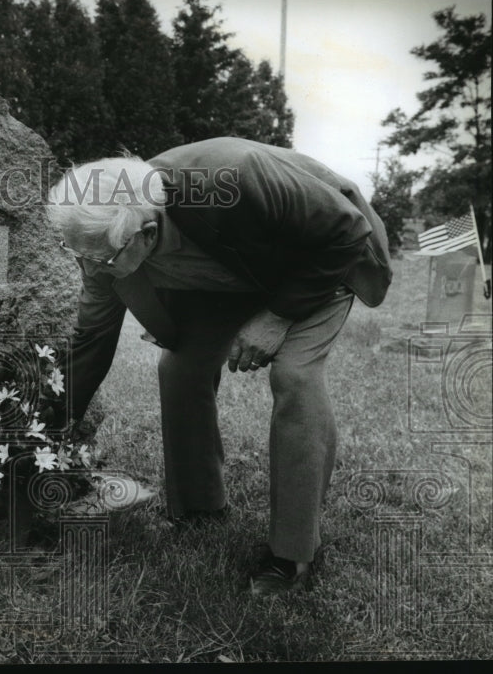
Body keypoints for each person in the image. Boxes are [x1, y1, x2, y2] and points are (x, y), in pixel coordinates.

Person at [46, 137, 392, 595]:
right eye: (81, 256)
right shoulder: (104, 235)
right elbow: (91, 340)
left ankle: (293, 554)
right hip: (233, 276)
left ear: (147, 233)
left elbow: (345, 232)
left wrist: (277, 316)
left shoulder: (233, 177)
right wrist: (42, 430)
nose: (93, 268)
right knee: (180, 369)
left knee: (295, 375)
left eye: (102, 259)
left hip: (318, 264)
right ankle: (199, 507)